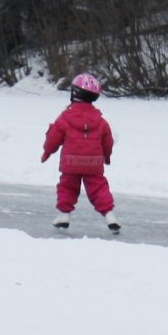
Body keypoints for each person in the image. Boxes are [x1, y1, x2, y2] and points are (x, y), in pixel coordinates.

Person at [43, 72, 120, 233]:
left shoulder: (65, 117)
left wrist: (47, 152)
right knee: (99, 188)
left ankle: (64, 214)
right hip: (93, 163)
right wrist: (106, 156)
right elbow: (108, 140)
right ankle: (109, 215)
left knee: (67, 187)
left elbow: (53, 138)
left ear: (74, 93)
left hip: (70, 162)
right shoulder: (100, 120)